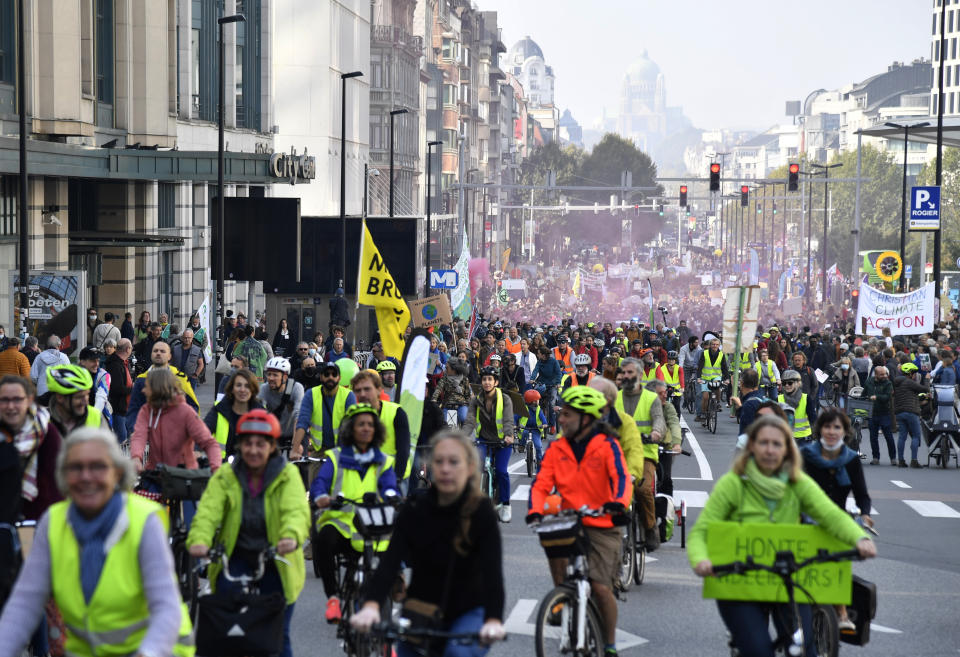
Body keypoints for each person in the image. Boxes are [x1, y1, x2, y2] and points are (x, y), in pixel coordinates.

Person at [688, 415, 876, 657]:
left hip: (787, 582)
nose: (769, 449)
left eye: (777, 444)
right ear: (752, 447)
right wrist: (701, 560)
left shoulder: (798, 483)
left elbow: (831, 515)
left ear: (787, 450)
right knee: (757, 651)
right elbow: (703, 528)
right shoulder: (733, 484)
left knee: (804, 649)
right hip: (740, 583)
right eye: (763, 443)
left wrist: (859, 538)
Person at [0, 428, 195, 657]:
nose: (86, 476)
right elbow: (23, 605)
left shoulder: (145, 519)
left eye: (98, 467)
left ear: (117, 474)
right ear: (63, 476)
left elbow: (166, 607)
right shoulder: (52, 522)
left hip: (159, 647)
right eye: (76, 468)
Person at [350, 430, 506, 655]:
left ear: (471, 468)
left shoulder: (481, 512)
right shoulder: (414, 508)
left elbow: (493, 574)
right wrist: (372, 605)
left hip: (468, 611)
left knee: (456, 653)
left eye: (454, 462)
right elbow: (390, 562)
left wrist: (493, 619)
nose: (445, 468)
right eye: (439, 461)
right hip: (420, 610)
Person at [188, 409, 310, 657]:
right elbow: (209, 510)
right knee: (224, 631)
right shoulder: (226, 474)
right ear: (240, 445)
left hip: (277, 559)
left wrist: (291, 536)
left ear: (272, 446)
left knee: (278, 635)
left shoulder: (287, 475)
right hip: (235, 557)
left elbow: (296, 510)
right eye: (248, 444)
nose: (254, 450)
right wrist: (200, 539)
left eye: (261, 444)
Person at [526, 387, 631, 657]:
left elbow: (621, 478)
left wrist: (619, 504)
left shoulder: (608, 445)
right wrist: (535, 510)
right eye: (561, 414)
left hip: (604, 523)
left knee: (599, 587)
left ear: (586, 418)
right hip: (570, 518)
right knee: (551, 538)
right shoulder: (557, 448)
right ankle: (561, 597)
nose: (560, 419)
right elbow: (540, 484)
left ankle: (609, 644)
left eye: (567, 415)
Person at [309, 403, 399, 622]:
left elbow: (389, 485)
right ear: (351, 428)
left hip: (372, 524)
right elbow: (321, 482)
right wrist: (321, 496)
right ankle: (333, 599)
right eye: (361, 424)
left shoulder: (384, 460)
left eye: (370, 424)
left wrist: (391, 495)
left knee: (397, 547)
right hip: (341, 522)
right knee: (323, 540)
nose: (366, 428)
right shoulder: (335, 456)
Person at [615, 358, 665, 551]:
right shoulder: (615, 397)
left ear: (640, 375)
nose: (626, 376)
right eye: (624, 373)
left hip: (645, 453)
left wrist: (656, 433)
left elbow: (659, 420)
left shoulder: (651, 398)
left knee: (643, 490)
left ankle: (651, 528)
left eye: (630, 373)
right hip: (618, 452)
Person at [131, 367, 221, 474]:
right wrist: (136, 457)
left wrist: (216, 468)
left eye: (147, 386)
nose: (143, 390)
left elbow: (209, 442)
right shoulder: (146, 410)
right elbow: (139, 435)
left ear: (158, 388)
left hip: (183, 475)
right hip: (155, 472)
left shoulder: (185, 412)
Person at [0, 376, 63, 523]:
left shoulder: (46, 431)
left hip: (38, 519)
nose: (10, 406)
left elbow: (57, 481)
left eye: (17, 399)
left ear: (28, 400)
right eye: (4, 400)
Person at [463, 366, 515, 522]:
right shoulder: (475, 400)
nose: (486, 382)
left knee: (501, 471)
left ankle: (506, 505)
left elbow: (507, 420)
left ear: (496, 382)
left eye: (490, 379)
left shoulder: (505, 399)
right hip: (483, 440)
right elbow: (470, 421)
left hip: (502, 442)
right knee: (475, 469)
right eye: (484, 379)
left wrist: (508, 435)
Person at [291, 361, 357, 480]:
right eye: (326, 374)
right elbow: (303, 422)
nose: (330, 377)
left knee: (341, 492)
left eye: (334, 374)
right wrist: (295, 449)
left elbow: (353, 424)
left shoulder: (348, 396)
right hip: (319, 452)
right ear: (321, 377)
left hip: (342, 450)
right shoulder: (311, 394)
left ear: (339, 378)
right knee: (315, 489)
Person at [125, 340, 199, 435]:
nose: (158, 353)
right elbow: (134, 409)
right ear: (151, 355)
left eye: (162, 351)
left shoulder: (180, 378)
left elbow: (193, 406)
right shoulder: (141, 380)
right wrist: (135, 429)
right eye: (155, 351)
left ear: (169, 356)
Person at [351, 370, 412, 482]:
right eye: (358, 390)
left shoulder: (396, 412)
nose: (362, 394)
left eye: (367, 389)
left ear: (379, 390)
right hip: (365, 479)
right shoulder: (351, 415)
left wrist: (396, 478)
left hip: (395, 476)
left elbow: (403, 450)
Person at [205, 368, 264, 458]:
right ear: (232, 388)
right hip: (221, 465)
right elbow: (203, 432)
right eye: (238, 385)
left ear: (253, 390)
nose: (242, 390)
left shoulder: (261, 413)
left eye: (247, 386)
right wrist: (196, 450)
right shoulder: (219, 409)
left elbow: (270, 442)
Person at [43, 364, 111, 436]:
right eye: (79, 397)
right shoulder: (42, 422)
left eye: (87, 395)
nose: (86, 402)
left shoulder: (96, 416)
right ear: (60, 397)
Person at [259, 357, 304, 446]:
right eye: (269, 374)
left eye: (275, 375)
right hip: (273, 434)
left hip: (293, 433)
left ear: (285, 377)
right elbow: (259, 411)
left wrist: (295, 446)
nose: (271, 378)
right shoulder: (264, 388)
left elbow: (298, 415)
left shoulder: (296, 388)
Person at [893, 362, 928, 468]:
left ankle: (901, 460)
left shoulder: (897, 382)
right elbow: (924, 389)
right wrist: (927, 379)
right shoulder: (909, 382)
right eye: (914, 373)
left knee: (902, 436)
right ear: (910, 373)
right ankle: (914, 460)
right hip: (911, 412)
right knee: (916, 436)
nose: (914, 375)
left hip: (899, 412)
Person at [862, 366, 896, 465]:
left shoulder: (888, 383)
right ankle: (875, 457)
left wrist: (877, 397)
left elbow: (887, 396)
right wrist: (860, 400)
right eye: (882, 374)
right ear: (876, 375)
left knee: (888, 436)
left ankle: (893, 458)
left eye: (885, 373)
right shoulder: (869, 382)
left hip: (884, 413)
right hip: (872, 413)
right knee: (873, 437)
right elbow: (864, 394)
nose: (884, 376)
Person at [105, 338, 134, 444]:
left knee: (126, 437)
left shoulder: (122, 363)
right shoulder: (115, 365)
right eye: (131, 348)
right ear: (128, 349)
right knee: (122, 439)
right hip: (118, 408)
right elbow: (117, 388)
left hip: (125, 408)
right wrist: (133, 388)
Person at [77, 347, 113, 429]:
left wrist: (93, 418)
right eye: (93, 361)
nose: (97, 364)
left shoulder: (104, 375)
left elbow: (101, 397)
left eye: (98, 360)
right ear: (82, 361)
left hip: (99, 416)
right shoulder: (74, 373)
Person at [730, 368, 767, 445]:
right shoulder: (762, 398)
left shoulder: (749, 404)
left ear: (742, 384)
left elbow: (748, 432)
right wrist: (740, 407)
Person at [697, 337, 729, 421]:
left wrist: (727, 379)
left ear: (719, 346)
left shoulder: (722, 355)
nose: (715, 346)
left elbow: (724, 368)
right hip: (705, 377)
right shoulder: (705, 353)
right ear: (710, 345)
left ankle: (718, 403)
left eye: (717, 344)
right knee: (705, 397)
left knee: (717, 386)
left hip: (716, 376)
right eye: (713, 344)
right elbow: (700, 366)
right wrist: (698, 378)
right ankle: (703, 413)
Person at [433, 358, 473, 426]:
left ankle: (464, 435)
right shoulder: (445, 378)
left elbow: (467, 394)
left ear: (453, 369)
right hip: (447, 404)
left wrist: (469, 405)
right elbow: (438, 388)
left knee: (464, 419)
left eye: (447, 368)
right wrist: (434, 399)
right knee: (444, 423)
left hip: (461, 404)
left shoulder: (464, 379)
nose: (446, 369)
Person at [778, 370, 814, 441]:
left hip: (804, 438)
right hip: (785, 438)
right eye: (784, 383)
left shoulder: (806, 398)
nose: (787, 385)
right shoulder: (778, 399)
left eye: (790, 383)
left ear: (798, 383)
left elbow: (813, 418)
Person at [517, 389, 547, 469]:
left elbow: (543, 418)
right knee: (524, 434)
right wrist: (513, 424)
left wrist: (544, 424)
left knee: (538, 446)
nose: (538, 401)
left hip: (536, 430)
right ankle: (522, 446)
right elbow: (515, 417)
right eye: (536, 400)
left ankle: (540, 461)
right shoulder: (523, 409)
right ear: (530, 402)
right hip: (525, 428)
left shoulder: (538, 409)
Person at [658, 350, 684, 416]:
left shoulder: (679, 368)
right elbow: (660, 379)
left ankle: (677, 422)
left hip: (677, 390)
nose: (671, 361)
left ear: (675, 360)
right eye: (669, 359)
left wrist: (682, 387)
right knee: (663, 405)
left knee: (677, 405)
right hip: (666, 389)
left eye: (673, 359)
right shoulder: (662, 368)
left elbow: (681, 378)